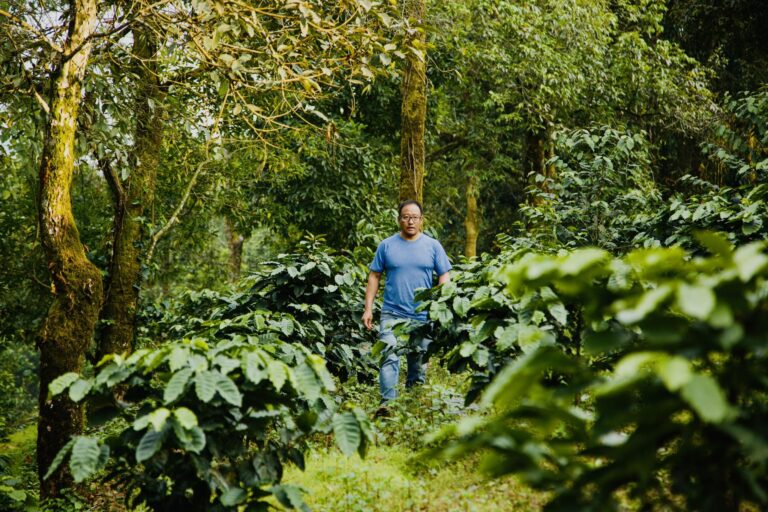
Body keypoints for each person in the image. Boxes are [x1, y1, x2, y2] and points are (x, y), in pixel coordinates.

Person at [362, 199, 452, 408]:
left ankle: (413, 403)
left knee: (418, 362)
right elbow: (374, 276)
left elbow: (444, 275)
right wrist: (368, 308)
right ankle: (387, 406)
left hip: (422, 314)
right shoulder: (387, 245)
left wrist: (440, 303)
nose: (410, 221)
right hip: (392, 312)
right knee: (389, 355)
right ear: (399, 219)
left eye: (414, 217)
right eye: (406, 217)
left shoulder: (432, 246)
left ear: (422, 220)